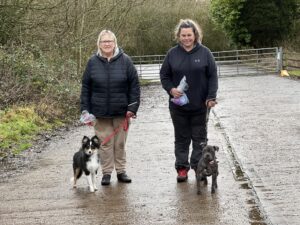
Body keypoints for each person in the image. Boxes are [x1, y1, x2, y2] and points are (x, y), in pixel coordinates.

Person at [160, 19, 218, 183]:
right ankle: (182, 169)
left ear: (195, 35)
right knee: (181, 138)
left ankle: (198, 168)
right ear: (179, 36)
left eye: (189, 35)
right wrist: (171, 89)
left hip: (200, 105)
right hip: (178, 107)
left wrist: (211, 97)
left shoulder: (205, 53)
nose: (186, 38)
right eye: (183, 35)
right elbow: (164, 76)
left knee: (200, 140)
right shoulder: (172, 54)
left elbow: (213, 76)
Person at [80, 29, 140, 186]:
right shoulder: (92, 62)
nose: (107, 44)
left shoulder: (126, 61)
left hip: (121, 112)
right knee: (105, 144)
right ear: (99, 44)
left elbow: (134, 85)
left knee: (119, 143)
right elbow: (86, 87)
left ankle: (121, 171)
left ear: (115, 43)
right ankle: (107, 173)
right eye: (103, 41)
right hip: (99, 113)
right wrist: (85, 110)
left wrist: (132, 107)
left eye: (110, 41)